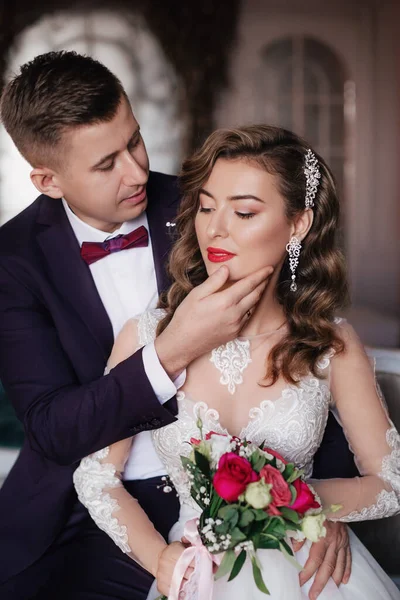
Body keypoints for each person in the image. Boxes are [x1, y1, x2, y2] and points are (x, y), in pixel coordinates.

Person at [74, 125, 400, 600]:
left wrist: (302, 503)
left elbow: (390, 481)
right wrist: (159, 559)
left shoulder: (331, 343)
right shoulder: (147, 335)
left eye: (243, 211)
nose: (215, 228)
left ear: (298, 224)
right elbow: (96, 474)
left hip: (312, 578)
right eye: (206, 207)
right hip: (194, 575)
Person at [0, 52, 274, 599]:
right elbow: (53, 429)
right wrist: (170, 352)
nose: (137, 170)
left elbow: (300, 346)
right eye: (107, 164)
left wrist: (324, 504)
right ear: (47, 180)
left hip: (232, 497)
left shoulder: (205, 207)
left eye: (135, 141)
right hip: (73, 514)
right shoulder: (12, 261)